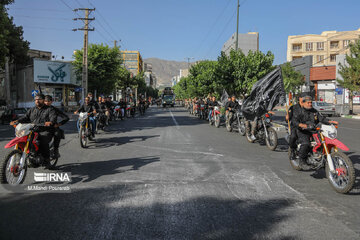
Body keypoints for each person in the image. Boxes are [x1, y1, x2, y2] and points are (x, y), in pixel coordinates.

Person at [293, 95, 338, 170]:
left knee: (323, 142)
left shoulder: (314, 111)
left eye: (311, 103)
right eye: (308, 103)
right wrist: (302, 125)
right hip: (303, 131)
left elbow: (322, 119)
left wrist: (331, 121)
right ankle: (302, 161)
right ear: (303, 103)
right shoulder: (299, 112)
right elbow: (294, 121)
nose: (310, 104)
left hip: (314, 130)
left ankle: (322, 158)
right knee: (306, 143)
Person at [10, 93, 56, 166]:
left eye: (39, 99)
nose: (37, 101)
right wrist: (17, 121)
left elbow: (53, 119)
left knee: (43, 141)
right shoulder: (32, 110)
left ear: (43, 100)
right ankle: (30, 153)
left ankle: (47, 161)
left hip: (45, 130)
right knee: (23, 138)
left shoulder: (50, 109)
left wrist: (50, 122)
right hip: (32, 129)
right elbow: (25, 117)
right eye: (36, 99)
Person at [286, 92, 307, 159]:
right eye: (303, 97)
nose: (305, 99)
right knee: (293, 136)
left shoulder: (308, 107)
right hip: (296, 127)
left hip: (307, 127)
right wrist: (287, 118)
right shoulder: (293, 108)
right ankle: (292, 150)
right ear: (299, 98)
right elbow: (288, 119)